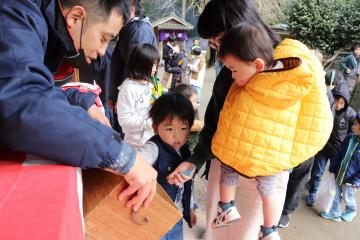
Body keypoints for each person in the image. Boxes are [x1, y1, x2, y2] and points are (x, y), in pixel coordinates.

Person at [167, 1, 333, 239]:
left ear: (241, 24)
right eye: (213, 44)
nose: (219, 50)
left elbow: (313, 120)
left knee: (245, 233)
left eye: (219, 39)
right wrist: (195, 160)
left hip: (266, 174)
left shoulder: (293, 64)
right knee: (217, 231)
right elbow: (214, 122)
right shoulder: (230, 70)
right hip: (227, 167)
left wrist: (284, 163)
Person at [0, 0, 157, 212]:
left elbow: (39, 88)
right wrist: (120, 155)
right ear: (75, 17)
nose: (103, 51)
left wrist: (82, 101)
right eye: (104, 38)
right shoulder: (14, 14)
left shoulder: (37, 22)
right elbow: (23, 100)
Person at [213, 23, 332, 238]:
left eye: (234, 70)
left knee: (227, 165)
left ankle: (226, 207)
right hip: (272, 156)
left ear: (258, 65)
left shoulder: (252, 84)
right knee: (271, 189)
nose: (232, 76)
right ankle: (269, 229)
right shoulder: (290, 77)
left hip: (242, 146)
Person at [278, 49, 336, 228]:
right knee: (288, 180)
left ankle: (283, 212)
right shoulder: (322, 91)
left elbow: (326, 123)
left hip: (300, 144)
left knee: (291, 180)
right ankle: (280, 213)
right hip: (296, 143)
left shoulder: (324, 93)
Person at [138, 93, 196, 240]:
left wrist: (190, 208)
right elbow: (137, 160)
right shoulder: (153, 148)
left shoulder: (185, 151)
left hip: (176, 217)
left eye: (183, 128)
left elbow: (188, 185)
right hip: (155, 218)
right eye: (170, 129)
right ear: (156, 128)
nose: (177, 136)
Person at [306, 82, 356, 206]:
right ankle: (312, 194)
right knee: (317, 172)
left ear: (346, 103)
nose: (338, 105)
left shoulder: (350, 114)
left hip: (338, 151)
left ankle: (331, 201)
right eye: (336, 100)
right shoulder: (326, 108)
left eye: (342, 103)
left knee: (335, 176)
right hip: (323, 147)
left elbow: (353, 130)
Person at [109, 0, 157, 130]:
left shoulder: (139, 30)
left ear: (131, 8)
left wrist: (120, 98)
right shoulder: (132, 28)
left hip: (133, 97)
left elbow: (136, 67)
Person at [116, 44, 159, 149]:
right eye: (153, 65)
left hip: (153, 140)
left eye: (156, 65)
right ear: (142, 65)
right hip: (136, 145)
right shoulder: (128, 88)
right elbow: (125, 120)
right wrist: (151, 122)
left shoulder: (151, 84)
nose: (156, 69)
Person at [320, 113, 360, 222]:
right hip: (339, 173)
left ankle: (351, 211)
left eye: (355, 124)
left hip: (351, 181)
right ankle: (334, 213)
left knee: (348, 197)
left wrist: (356, 181)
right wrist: (333, 167)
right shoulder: (349, 137)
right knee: (336, 194)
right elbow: (338, 152)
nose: (352, 126)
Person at [173, 83, 204, 152]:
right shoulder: (178, 114)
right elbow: (197, 125)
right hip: (184, 149)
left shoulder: (193, 109)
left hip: (194, 145)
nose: (196, 103)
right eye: (194, 101)